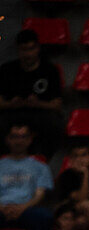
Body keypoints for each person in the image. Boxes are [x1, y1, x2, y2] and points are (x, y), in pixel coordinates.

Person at [0, 29, 64, 159]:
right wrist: (10, 104)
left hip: (39, 112)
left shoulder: (50, 70)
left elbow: (57, 105)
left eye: (31, 49)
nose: (28, 54)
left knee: (54, 124)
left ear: (38, 48)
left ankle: (42, 159)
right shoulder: (6, 70)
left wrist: (38, 103)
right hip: (13, 112)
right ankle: (5, 160)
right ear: (18, 50)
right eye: (24, 50)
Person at [0, 123, 54, 230]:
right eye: (14, 137)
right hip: (1, 208)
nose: (19, 141)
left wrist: (22, 208)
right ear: (7, 139)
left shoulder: (40, 167)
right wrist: (2, 208)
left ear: (30, 140)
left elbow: (40, 194)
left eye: (23, 137)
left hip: (27, 209)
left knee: (45, 217)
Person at [54, 145, 89, 226]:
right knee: (86, 205)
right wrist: (85, 174)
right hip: (68, 208)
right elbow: (81, 198)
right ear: (71, 159)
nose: (80, 159)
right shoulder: (66, 175)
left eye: (83, 155)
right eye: (76, 156)